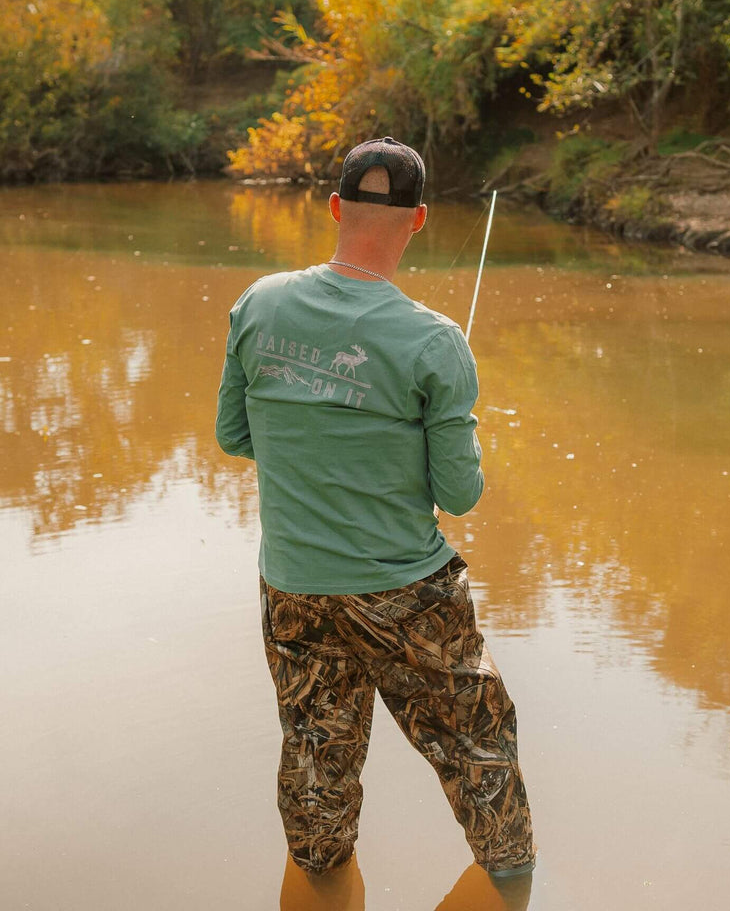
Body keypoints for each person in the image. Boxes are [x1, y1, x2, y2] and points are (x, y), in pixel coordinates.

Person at [215, 136, 534, 882]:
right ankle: (511, 887)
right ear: (417, 220)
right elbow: (459, 494)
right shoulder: (435, 342)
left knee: (317, 779)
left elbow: (235, 435)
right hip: (409, 599)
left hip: (295, 590)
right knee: (482, 761)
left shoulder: (258, 304)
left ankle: (320, 876)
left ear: (334, 207)